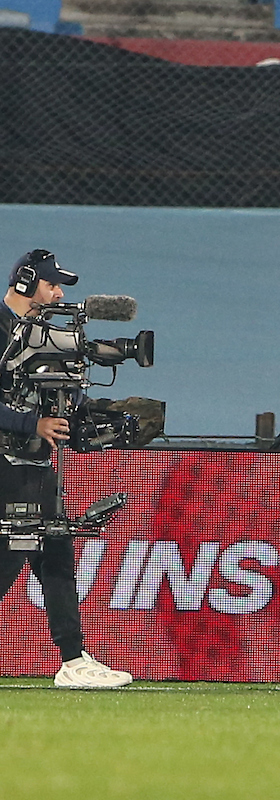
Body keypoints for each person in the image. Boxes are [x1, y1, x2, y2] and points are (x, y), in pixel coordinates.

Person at [0, 250, 132, 689]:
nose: (58, 293)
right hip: (4, 464)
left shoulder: (47, 338)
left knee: (55, 555)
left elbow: (61, 403)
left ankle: (74, 660)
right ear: (26, 283)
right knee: (9, 557)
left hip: (36, 462)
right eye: (52, 284)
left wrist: (101, 417)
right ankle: (73, 658)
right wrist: (30, 423)